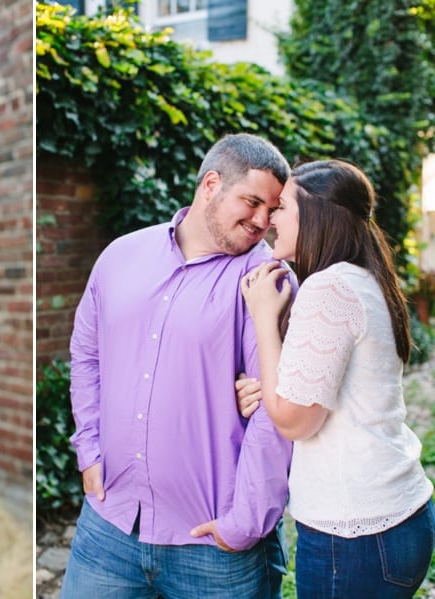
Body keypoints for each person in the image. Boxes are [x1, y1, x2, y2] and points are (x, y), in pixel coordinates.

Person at [62, 133, 294, 598]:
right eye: (252, 202)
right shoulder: (120, 256)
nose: (262, 222)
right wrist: (88, 450)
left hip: (215, 545)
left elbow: (275, 410)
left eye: (272, 210)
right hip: (110, 524)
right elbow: (87, 357)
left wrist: (245, 523)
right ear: (211, 184)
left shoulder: (266, 280)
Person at [239, 159, 435, 598]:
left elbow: (294, 421)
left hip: (355, 536)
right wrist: (269, 388)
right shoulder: (363, 278)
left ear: (317, 212)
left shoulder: (329, 289)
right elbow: (324, 390)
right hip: (394, 517)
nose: (270, 218)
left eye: (282, 207)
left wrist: (264, 319)